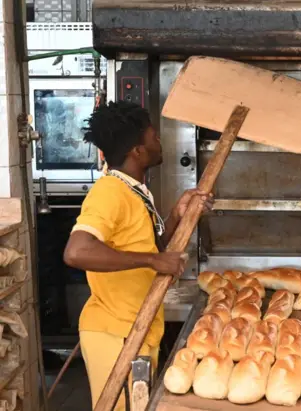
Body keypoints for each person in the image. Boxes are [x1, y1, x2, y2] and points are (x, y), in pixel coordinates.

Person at [63, 101, 210, 410]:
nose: (160, 142)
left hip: (138, 328)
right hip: (114, 333)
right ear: (137, 151)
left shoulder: (134, 191)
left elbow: (149, 247)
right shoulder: (109, 192)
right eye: (154, 137)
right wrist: (153, 261)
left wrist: (175, 217)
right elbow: (77, 251)